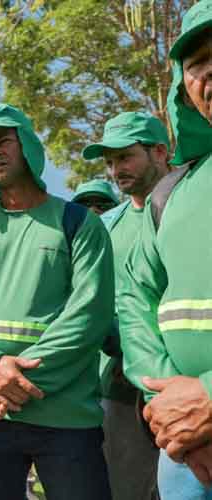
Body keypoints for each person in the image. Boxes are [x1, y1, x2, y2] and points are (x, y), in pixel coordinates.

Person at [0, 104, 114, 500]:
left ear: (30, 148)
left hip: (64, 414)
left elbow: (89, 314)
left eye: (4, 141)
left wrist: (18, 381)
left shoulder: (77, 222)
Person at [117, 2, 212, 496]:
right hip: (182, 447)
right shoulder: (170, 195)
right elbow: (135, 296)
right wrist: (173, 402)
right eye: (196, 60)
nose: (210, 68)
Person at [81, 111, 171, 500]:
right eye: (111, 161)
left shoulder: (190, 208)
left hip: (190, 383)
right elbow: (89, 299)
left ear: (160, 152)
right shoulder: (105, 227)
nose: (117, 169)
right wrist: (123, 349)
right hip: (118, 388)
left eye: (126, 157)